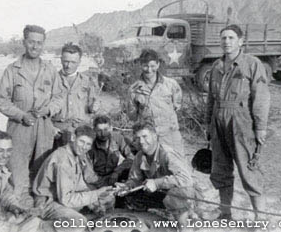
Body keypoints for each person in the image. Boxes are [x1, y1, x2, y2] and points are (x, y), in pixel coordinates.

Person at [206, 24, 270, 220]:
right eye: (223, 38)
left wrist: (260, 127)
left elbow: (261, 98)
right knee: (221, 169)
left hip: (241, 122)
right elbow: (210, 99)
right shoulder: (216, 66)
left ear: (241, 41)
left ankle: (261, 218)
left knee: (248, 170)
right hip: (218, 121)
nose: (227, 42)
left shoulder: (252, 64)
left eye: (231, 38)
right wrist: (209, 125)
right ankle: (225, 213)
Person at [0, 25, 63, 204]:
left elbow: (59, 97)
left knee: (42, 172)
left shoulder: (50, 70)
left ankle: (40, 208)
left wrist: (48, 110)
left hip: (44, 128)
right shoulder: (12, 70)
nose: (35, 47)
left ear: (43, 45)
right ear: (24, 42)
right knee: (17, 173)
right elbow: (1, 100)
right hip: (19, 128)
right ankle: (17, 205)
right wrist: (20, 115)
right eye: (31, 42)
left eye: (39, 43)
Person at [115, 122, 197, 231]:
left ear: (155, 136)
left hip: (186, 194)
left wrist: (157, 182)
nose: (141, 141)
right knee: (131, 198)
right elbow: (135, 179)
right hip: (161, 193)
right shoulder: (139, 156)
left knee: (175, 195)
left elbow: (186, 179)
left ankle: (187, 224)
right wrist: (126, 186)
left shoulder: (167, 153)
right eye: (137, 138)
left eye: (145, 136)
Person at [32, 125, 115, 229]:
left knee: (108, 199)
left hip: (61, 197)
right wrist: (96, 194)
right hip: (47, 203)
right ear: (73, 138)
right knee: (79, 222)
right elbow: (66, 199)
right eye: (82, 142)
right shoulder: (62, 160)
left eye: (88, 144)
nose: (84, 147)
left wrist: (96, 203)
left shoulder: (74, 155)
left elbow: (80, 186)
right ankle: (40, 227)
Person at [126, 48, 184, 156]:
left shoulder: (171, 85)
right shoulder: (134, 90)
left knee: (177, 167)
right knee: (149, 169)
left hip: (170, 136)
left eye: (152, 66)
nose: (149, 70)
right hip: (148, 139)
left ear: (158, 65)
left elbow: (177, 106)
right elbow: (132, 116)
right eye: (145, 66)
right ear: (140, 65)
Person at [51, 43, 100, 148]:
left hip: (80, 133)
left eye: (73, 62)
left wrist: (94, 107)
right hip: (58, 133)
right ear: (61, 60)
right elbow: (43, 110)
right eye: (66, 61)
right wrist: (51, 128)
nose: (68, 65)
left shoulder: (87, 81)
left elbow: (91, 109)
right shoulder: (51, 80)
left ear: (79, 62)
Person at [85, 115, 134, 188]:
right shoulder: (90, 144)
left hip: (114, 174)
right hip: (97, 178)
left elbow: (131, 157)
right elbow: (88, 173)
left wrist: (117, 171)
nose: (103, 134)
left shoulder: (117, 138)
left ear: (111, 128)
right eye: (99, 130)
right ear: (94, 130)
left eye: (106, 129)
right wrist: (103, 184)